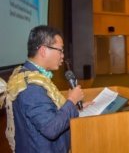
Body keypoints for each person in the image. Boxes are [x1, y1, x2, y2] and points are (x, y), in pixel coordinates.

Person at [3, 25, 89, 153]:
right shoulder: (31, 86)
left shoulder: (31, 75)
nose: (62, 56)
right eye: (60, 50)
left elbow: (48, 113)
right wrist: (71, 101)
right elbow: (51, 128)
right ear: (43, 50)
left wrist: (74, 107)